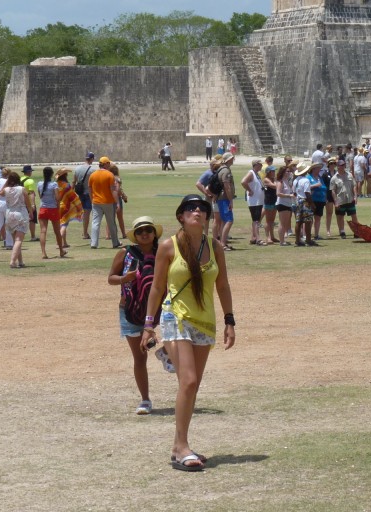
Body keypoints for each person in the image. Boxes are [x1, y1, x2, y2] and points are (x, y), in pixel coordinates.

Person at [141, 194, 235, 471]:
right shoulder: (168, 246)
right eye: (191, 208)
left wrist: (230, 320)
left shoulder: (215, 246)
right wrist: (149, 324)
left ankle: (179, 445)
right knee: (190, 381)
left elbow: (223, 285)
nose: (198, 211)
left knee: (191, 386)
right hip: (175, 316)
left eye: (203, 209)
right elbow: (157, 288)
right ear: (181, 216)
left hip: (204, 321)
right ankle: (180, 447)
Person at [109, 215, 166, 416]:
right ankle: (145, 399)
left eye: (148, 230)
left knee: (179, 343)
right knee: (140, 357)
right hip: (130, 310)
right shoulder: (125, 253)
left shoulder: (163, 252)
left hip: (160, 309)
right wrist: (125, 278)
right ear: (135, 235)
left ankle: (165, 351)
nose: (144, 234)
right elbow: (111, 278)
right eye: (140, 231)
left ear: (153, 233)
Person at [0, 171, 34, 269]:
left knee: (16, 241)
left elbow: (0, 192)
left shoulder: (6, 189)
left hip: (9, 214)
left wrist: (7, 182)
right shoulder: (21, 189)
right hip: (20, 214)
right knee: (19, 240)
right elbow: (27, 202)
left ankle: (20, 261)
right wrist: (31, 212)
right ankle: (12, 261)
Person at [88, 156, 122, 250]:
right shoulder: (109, 175)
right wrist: (117, 203)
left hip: (96, 202)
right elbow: (113, 191)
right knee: (111, 223)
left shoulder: (93, 175)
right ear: (106, 164)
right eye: (109, 163)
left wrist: (92, 200)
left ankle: (94, 243)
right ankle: (115, 242)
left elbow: (90, 189)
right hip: (108, 202)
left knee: (95, 223)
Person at [36, 167, 66, 259]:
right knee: (57, 231)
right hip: (53, 209)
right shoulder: (54, 185)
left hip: (43, 209)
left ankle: (43, 253)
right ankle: (61, 250)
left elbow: (40, 196)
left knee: (43, 231)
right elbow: (57, 198)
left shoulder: (40, 184)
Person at [331, 159, 358, 239]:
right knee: (340, 216)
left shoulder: (349, 175)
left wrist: (355, 196)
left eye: (343, 165)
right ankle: (342, 231)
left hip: (350, 199)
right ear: (338, 166)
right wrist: (335, 202)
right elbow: (333, 191)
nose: (343, 167)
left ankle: (356, 231)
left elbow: (354, 186)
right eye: (341, 165)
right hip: (340, 200)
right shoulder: (334, 178)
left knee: (354, 215)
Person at [241, 159, 266, 245]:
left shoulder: (256, 174)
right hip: (254, 201)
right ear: (256, 165)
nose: (261, 166)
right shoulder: (251, 173)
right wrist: (249, 190)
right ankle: (258, 239)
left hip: (258, 201)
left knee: (256, 220)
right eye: (260, 165)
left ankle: (253, 237)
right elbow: (243, 182)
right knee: (256, 220)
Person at [57, 168, 83, 246]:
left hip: (57, 206)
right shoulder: (66, 185)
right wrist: (78, 205)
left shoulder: (55, 185)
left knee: (60, 224)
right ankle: (60, 242)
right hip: (65, 206)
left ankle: (64, 242)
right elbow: (72, 196)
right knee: (64, 225)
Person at [275, 162, 296, 247]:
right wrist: (289, 195)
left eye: (289, 171)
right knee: (282, 223)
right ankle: (281, 241)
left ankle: (283, 240)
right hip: (282, 203)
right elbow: (278, 193)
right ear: (283, 172)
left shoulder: (287, 181)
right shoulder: (280, 182)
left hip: (288, 203)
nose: (288, 172)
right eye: (287, 171)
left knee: (286, 223)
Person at [262, 165, 279, 243]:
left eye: (274, 171)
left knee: (272, 220)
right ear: (268, 172)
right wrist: (276, 181)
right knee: (268, 220)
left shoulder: (273, 179)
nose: (274, 173)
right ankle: (268, 237)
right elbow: (275, 186)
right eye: (272, 171)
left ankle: (272, 236)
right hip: (268, 201)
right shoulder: (266, 179)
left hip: (274, 201)